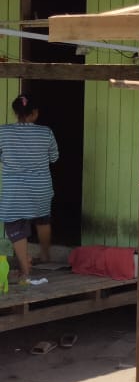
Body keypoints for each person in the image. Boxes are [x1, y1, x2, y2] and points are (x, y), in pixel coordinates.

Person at [0, 94, 58, 285]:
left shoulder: (3, 132)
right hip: (40, 187)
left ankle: (25, 271)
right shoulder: (46, 132)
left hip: (15, 190)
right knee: (42, 218)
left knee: (15, 224)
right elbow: (54, 157)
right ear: (34, 113)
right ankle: (46, 254)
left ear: (16, 112)